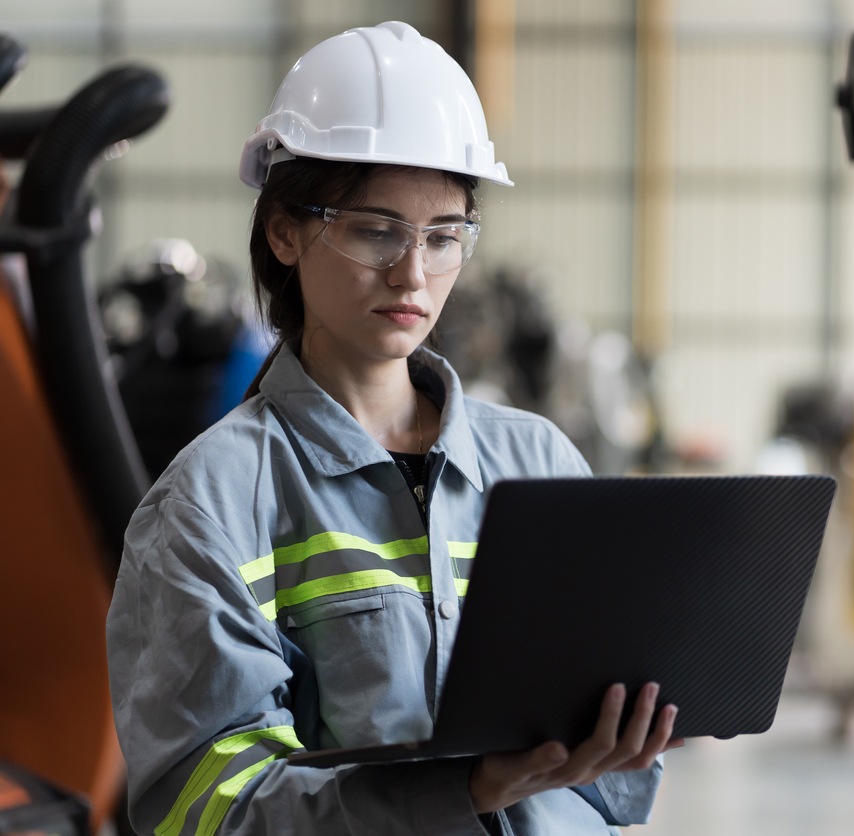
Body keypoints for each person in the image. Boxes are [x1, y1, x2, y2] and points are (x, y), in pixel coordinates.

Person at [106, 21, 678, 835]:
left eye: (444, 237)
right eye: (377, 230)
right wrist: (461, 790)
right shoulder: (211, 504)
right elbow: (207, 811)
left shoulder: (536, 457)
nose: (413, 272)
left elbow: (612, 784)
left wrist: (631, 731)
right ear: (284, 231)